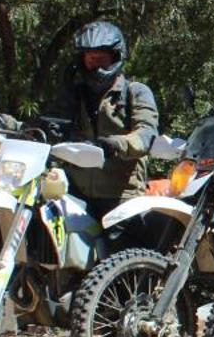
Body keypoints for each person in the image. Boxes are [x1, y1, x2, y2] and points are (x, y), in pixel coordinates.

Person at [56, 19, 160, 218]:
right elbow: (49, 122)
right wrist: (4, 124)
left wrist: (115, 145)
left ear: (116, 57)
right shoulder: (74, 93)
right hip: (76, 195)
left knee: (124, 250)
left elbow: (146, 135)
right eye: (90, 59)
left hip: (121, 199)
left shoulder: (135, 92)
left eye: (101, 58)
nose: (96, 65)